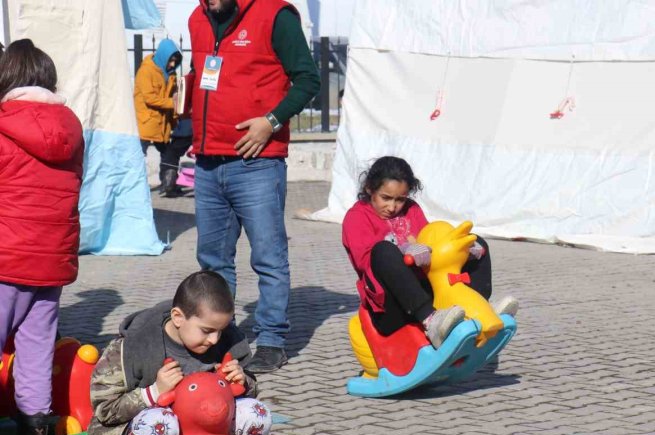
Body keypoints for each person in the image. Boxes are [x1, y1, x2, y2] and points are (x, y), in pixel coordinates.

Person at [187, 0, 321, 373]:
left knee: (268, 257)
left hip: (258, 163)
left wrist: (271, 120)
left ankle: (273, 341)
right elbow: (201, 78)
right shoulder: (197, 18)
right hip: (208, 161)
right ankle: (220, 336)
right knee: (212, 261)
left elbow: (309, 78)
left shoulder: (275, 15)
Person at [87, 271, 273, 435]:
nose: (214, 339)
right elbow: (105, 410)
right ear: (178, 317)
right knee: (160, 422)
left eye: (221, 330)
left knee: (255, 412)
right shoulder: (133, 346)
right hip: (140, 431)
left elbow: (245, 393)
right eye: (207, 331)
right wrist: (153, 392)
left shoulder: (224, 340)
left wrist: (244, 381)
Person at [0, 40, 85, 435]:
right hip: (50, 262)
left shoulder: (2, 124)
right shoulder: (71, 127)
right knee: (34, 355)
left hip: (5, 258)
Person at [342, 156, 519, 348]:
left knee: (476, 241)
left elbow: (432, 241)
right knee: (383, 251)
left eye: (400, 199)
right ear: (369, 188)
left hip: (428, 290)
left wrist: (461, 248)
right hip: (391, 307)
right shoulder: (357, 217)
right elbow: (365, 262)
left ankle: (478, 307)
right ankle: (430, 321)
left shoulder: (411, 209)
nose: (392, 207)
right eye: (386, 198)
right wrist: (404, 251)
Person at [134, 38, 185, 197]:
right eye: (171, 60)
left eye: (175, 62)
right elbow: (150, 98)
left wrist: (175, 115)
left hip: (163, 124)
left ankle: (168, 185)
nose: (172, 64)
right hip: (147, 121)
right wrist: (173, 104)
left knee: (168, 153)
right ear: (164, 56)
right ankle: (135, 188)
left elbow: (175, 95)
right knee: (138, 155)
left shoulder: (171, 74)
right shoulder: (146, 71)